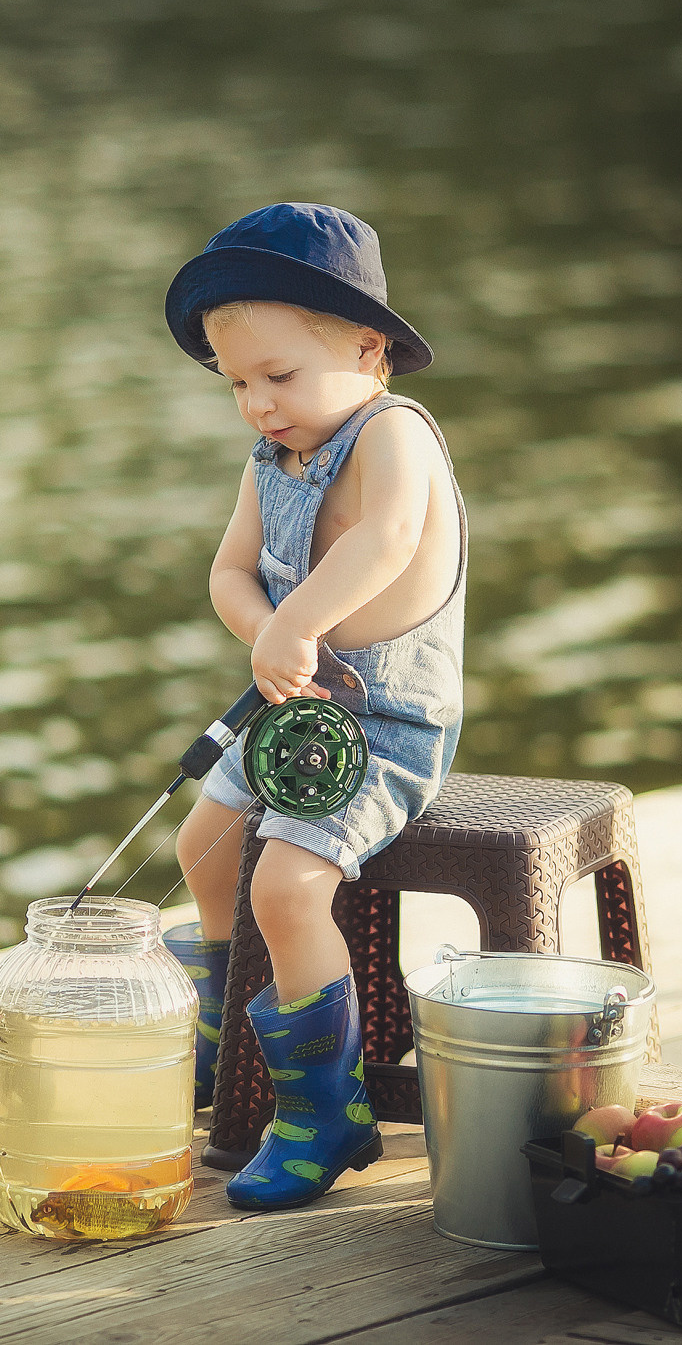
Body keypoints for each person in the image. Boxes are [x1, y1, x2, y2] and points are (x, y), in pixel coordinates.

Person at [156, 202, 467, 1211]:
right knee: (201, 847)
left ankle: (322, 1109)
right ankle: (217, 1034)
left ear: (369, 349)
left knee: (284, 889)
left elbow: (384, 540)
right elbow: (228, 571)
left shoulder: (394, 436)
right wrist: (262, 628)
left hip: (382, 726)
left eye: (278, 377)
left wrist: (303, 622)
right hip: (294, 712)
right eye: (236, 382)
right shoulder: (270, 461)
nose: (256, 404)